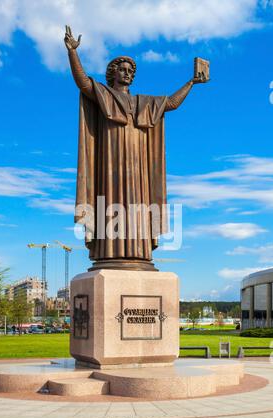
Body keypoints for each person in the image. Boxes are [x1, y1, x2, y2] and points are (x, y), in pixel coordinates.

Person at [65, 26, 208, 271]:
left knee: (138, 206)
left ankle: (138, 254)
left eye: (131, 70)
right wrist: (73, 53)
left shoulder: (144, 102)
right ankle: (110, 254)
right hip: (110, 165)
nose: (128, 73)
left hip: (138, 168)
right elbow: (83, 83)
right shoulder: (103, 94)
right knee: (110, 205)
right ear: (113, 73)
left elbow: (171, 103)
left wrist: (191, 82)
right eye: (123, 69)